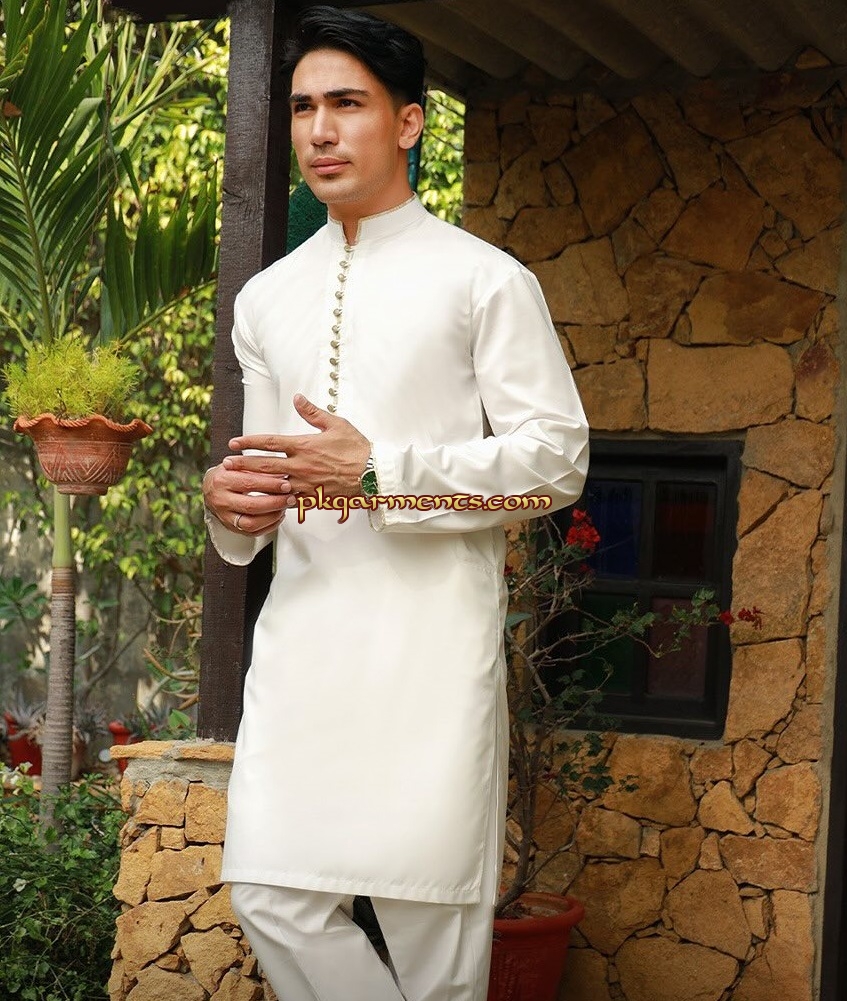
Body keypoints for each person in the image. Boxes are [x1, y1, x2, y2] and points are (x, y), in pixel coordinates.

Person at [201, 7, 589, 1000]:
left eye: (347, 103)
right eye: (302, 109)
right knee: (271, 894)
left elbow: (554, 462)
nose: (319, 130)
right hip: (302, 651)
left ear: (408, 123)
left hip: (429, 655)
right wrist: (230, 507)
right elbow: (267, 472)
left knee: (431, 941)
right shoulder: (265, 299)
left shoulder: (484, 280)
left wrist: (382, 472)